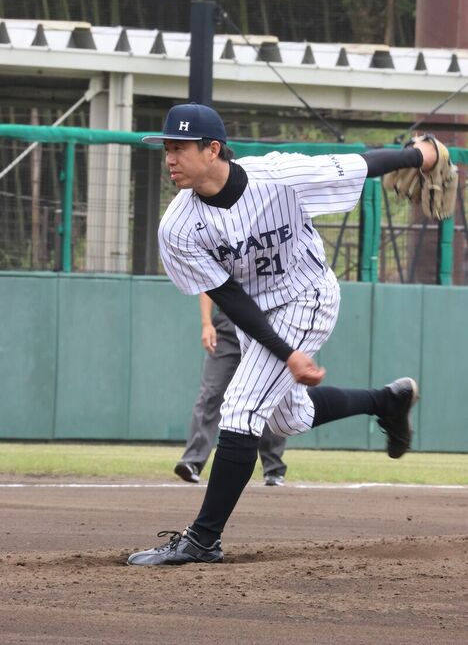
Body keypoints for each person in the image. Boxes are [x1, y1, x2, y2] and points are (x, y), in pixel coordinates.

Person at [127, 103, 435, 567]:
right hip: (260, 316)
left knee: (241, 409)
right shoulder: (178, 226)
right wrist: (284, 351)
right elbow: (228, 297)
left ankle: (203, 539)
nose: (169, 158)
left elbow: (361, 165)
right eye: (166, 148)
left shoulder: (280, 176)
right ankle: (385, 401)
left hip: (307, 296)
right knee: (289, 418)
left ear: (213, 150)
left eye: (179, 148)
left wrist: (419, 156)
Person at [175, 293, 287, 487]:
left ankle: (273, 467)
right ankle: (192, 461)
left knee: (269, 394)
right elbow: (207, 285)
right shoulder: (226, 261)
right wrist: (206, 323)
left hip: (267, 324)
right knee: (210, 393)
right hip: (228, 327)